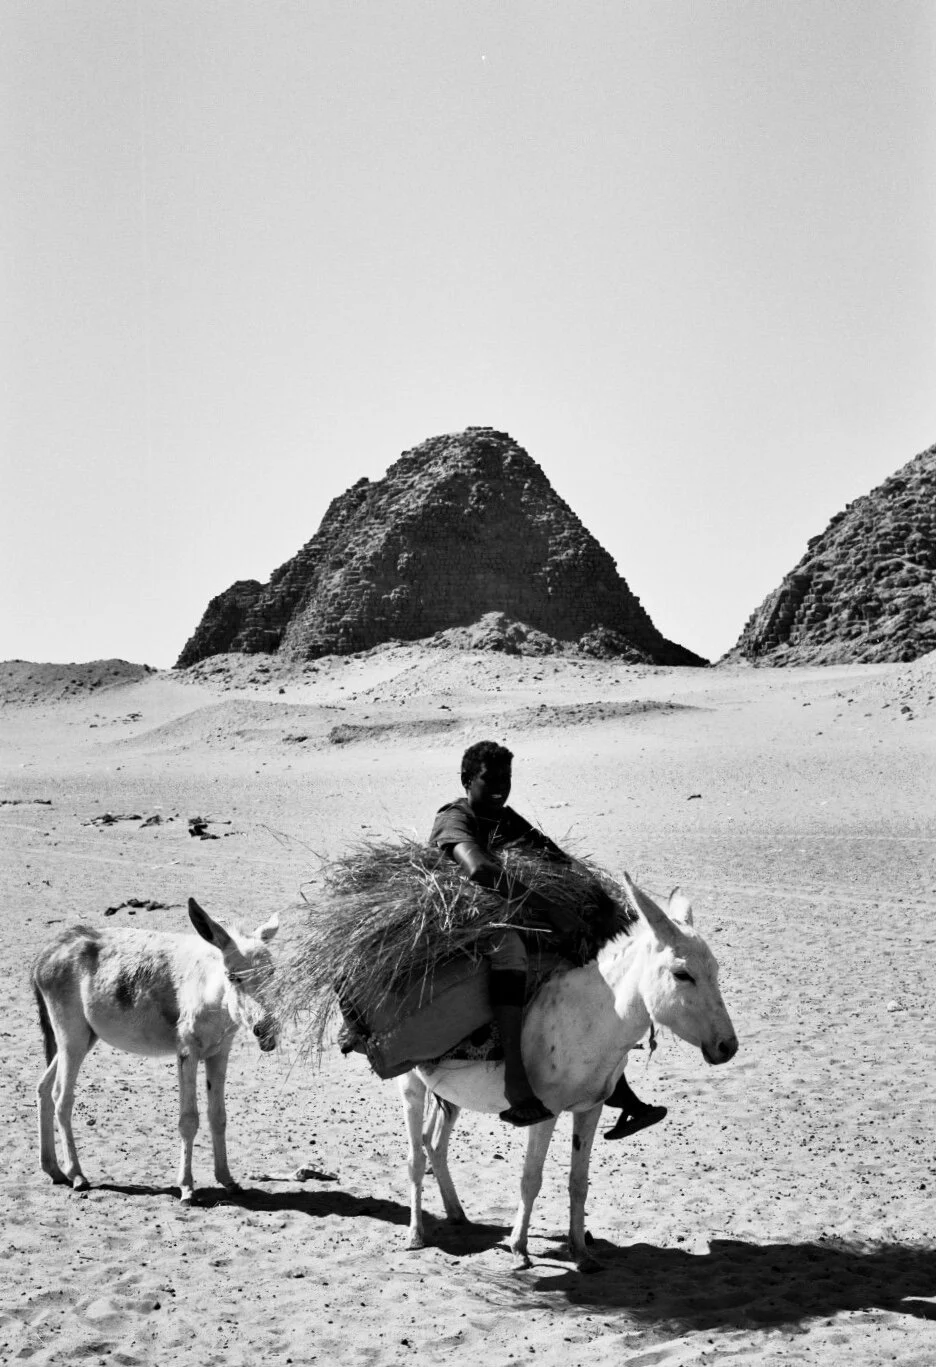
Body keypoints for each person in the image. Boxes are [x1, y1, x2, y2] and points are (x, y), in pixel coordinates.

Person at [429, 740, 667, 1137]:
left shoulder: (505, 818)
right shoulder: (455, 817)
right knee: (511, 952)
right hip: (462, 924)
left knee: (585, 954)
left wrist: (594, 898)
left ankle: (615, 1084)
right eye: (490, 780)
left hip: (509, 913)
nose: (500, 788)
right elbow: (478, 869)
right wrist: (551, 910)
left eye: (506, 780)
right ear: (466, 780)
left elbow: (555, 857)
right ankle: (516, 1081)